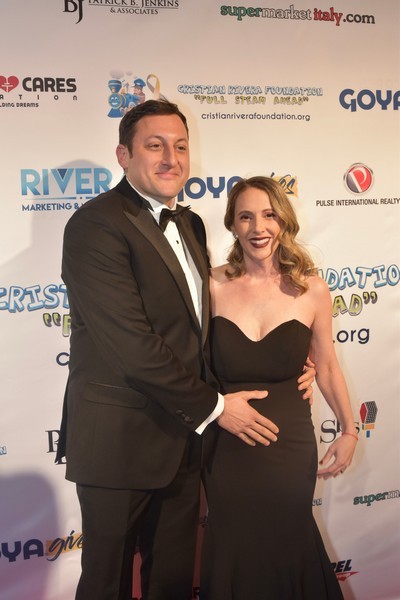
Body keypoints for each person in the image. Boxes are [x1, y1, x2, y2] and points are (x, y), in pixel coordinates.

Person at [55, 100, 315, 600]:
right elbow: (132, 346)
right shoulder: (95, 226)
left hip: (184, 440)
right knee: (107, 584)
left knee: (171, 581)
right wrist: (215, 407)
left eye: (179, 146)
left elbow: (201, 329)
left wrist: (290, 362)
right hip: (119, 440)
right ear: (124, 156)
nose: (170, 158)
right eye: (155, 145)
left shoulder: (191, 224)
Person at [201, 176, 358, 600]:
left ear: (284, 221)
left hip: (289, 447)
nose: (258, 228)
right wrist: (216, 405)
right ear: (232, 224)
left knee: (289, 537)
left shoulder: (311, 289)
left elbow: (327, 365)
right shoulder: (210, 285)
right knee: (234, 542)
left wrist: (348, 429)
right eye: (246, 217)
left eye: (269, 215)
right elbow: (188, 363)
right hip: (227, 443)